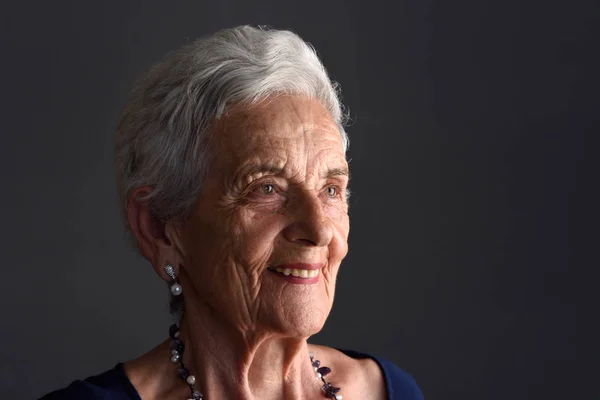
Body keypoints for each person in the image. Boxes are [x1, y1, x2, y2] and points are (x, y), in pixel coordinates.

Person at [41, 26, 423, 400]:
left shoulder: (390, 391)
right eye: (266, 189)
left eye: (331, 190)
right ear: (159, 228)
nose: (320, 229)